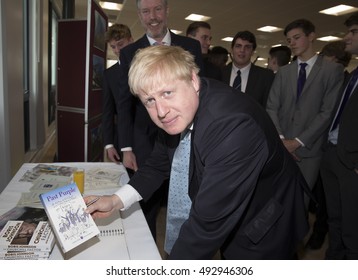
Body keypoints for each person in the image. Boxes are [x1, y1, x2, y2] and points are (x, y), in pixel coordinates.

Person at [85, 45, 309, 260]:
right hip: (228, 207)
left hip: (265, 220)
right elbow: (157, 164)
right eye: (150, 100)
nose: (161, 111)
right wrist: (116, 200)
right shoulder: (181, 109)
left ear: (193, 79)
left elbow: (206, 225)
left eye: (167, 93)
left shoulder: (233, 127)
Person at [116, 0, 203, 240]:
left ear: (167, 11)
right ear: (139, 15)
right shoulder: (128, 53)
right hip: (147, 142)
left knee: (192, 200)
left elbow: (200, 95)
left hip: (188, 141)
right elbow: (124, 105)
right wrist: (126, 147)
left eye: (157, 9)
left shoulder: (191, 46)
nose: (152, 16)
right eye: (146, 11)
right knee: (148, 205)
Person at [266, 19, 344, 211]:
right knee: (277, 201)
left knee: (300, 204)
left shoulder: (331, 71)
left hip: (309, 151)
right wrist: (283, 140)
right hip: (282, 149)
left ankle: (297, 241)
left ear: (311, 36)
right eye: (289, 39)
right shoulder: (284, 73)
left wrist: (298, 142)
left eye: (297, 37)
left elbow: (327, 112)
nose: (292, 43)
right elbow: (271, 107)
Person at [306, 39, 352, 251]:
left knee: (343, 215)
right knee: (329, 208)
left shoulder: (346, 81)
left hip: (346, 155)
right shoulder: (345, 80)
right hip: (326, 149)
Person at [320, 12, 358, 259]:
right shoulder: (354, 74)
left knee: (353, 229)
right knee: (336, 219)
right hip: (333, 154)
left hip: (352, 162)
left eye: (354, 32)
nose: (347, 37)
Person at [102, 23, 133, 163]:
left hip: (150, 137)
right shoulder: (109, 74)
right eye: (113, 47)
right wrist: (109, 144)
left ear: (131, 40)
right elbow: (107, 111)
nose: (117, 50)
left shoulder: (146, 67)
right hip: (121, 136)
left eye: (120, 44)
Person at [221, 30, 275, 107]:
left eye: (247, 47)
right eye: (238, 46)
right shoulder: (219, 74)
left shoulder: (266, 77)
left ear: (252, 51)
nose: (242, 50)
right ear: (232, 49)